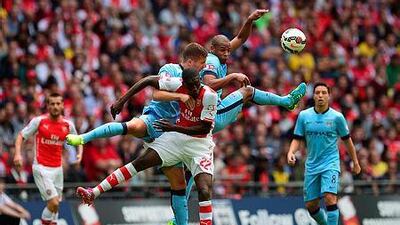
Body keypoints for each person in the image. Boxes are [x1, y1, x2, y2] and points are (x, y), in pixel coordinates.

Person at [67, 42, 208, 225]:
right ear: (190, 62)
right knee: (132, 126)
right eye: (201, 64)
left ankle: (180, 222)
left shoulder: (197, 81)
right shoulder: (171, 70)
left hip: (171, 135)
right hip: (155, 118)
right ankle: (83, 138)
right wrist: (180, 96)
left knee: (179, 185)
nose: (204, 68)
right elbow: (157, 94)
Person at [287, 82, 361, 225]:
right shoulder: (304, 116)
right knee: (311, 206)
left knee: (329, 197)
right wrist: (291, 152)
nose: (320, 95)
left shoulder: (337, 117)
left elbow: (347, 141)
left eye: (324, 93)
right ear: (313, 96)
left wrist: (355, 162)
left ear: (329, 96)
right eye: (317, 93)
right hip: (312, 165)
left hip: (330, 163)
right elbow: (297, 138)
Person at [14, 93, 83, 225]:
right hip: (41, 168)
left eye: (58, 104)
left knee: (56, 207)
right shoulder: (39, 121)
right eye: (52, 104)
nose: (55, 106)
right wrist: (17, 154)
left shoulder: (68, 125)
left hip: (58, 169)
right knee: (54, 202)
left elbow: (79, 140)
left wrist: (79, 154)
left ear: (62, 105)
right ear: (47, 106)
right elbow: (21, 135)